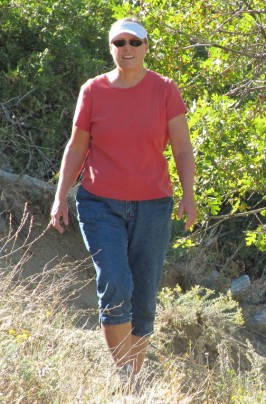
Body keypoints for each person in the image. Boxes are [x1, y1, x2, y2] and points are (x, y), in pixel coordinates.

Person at [50, 17, 197, 384]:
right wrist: (60, 196)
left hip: (153, 205)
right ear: (111, 48)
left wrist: (189, 195)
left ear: (146, 47)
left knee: (144, 295)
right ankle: (124, 375)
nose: (127, 49)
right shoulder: (93, 90)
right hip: (99, 203)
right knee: (116, 282)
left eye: (134, 42)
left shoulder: (165, 90)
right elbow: (77, 146)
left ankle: (133, 380)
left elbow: (182, 148)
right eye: (120, 43)